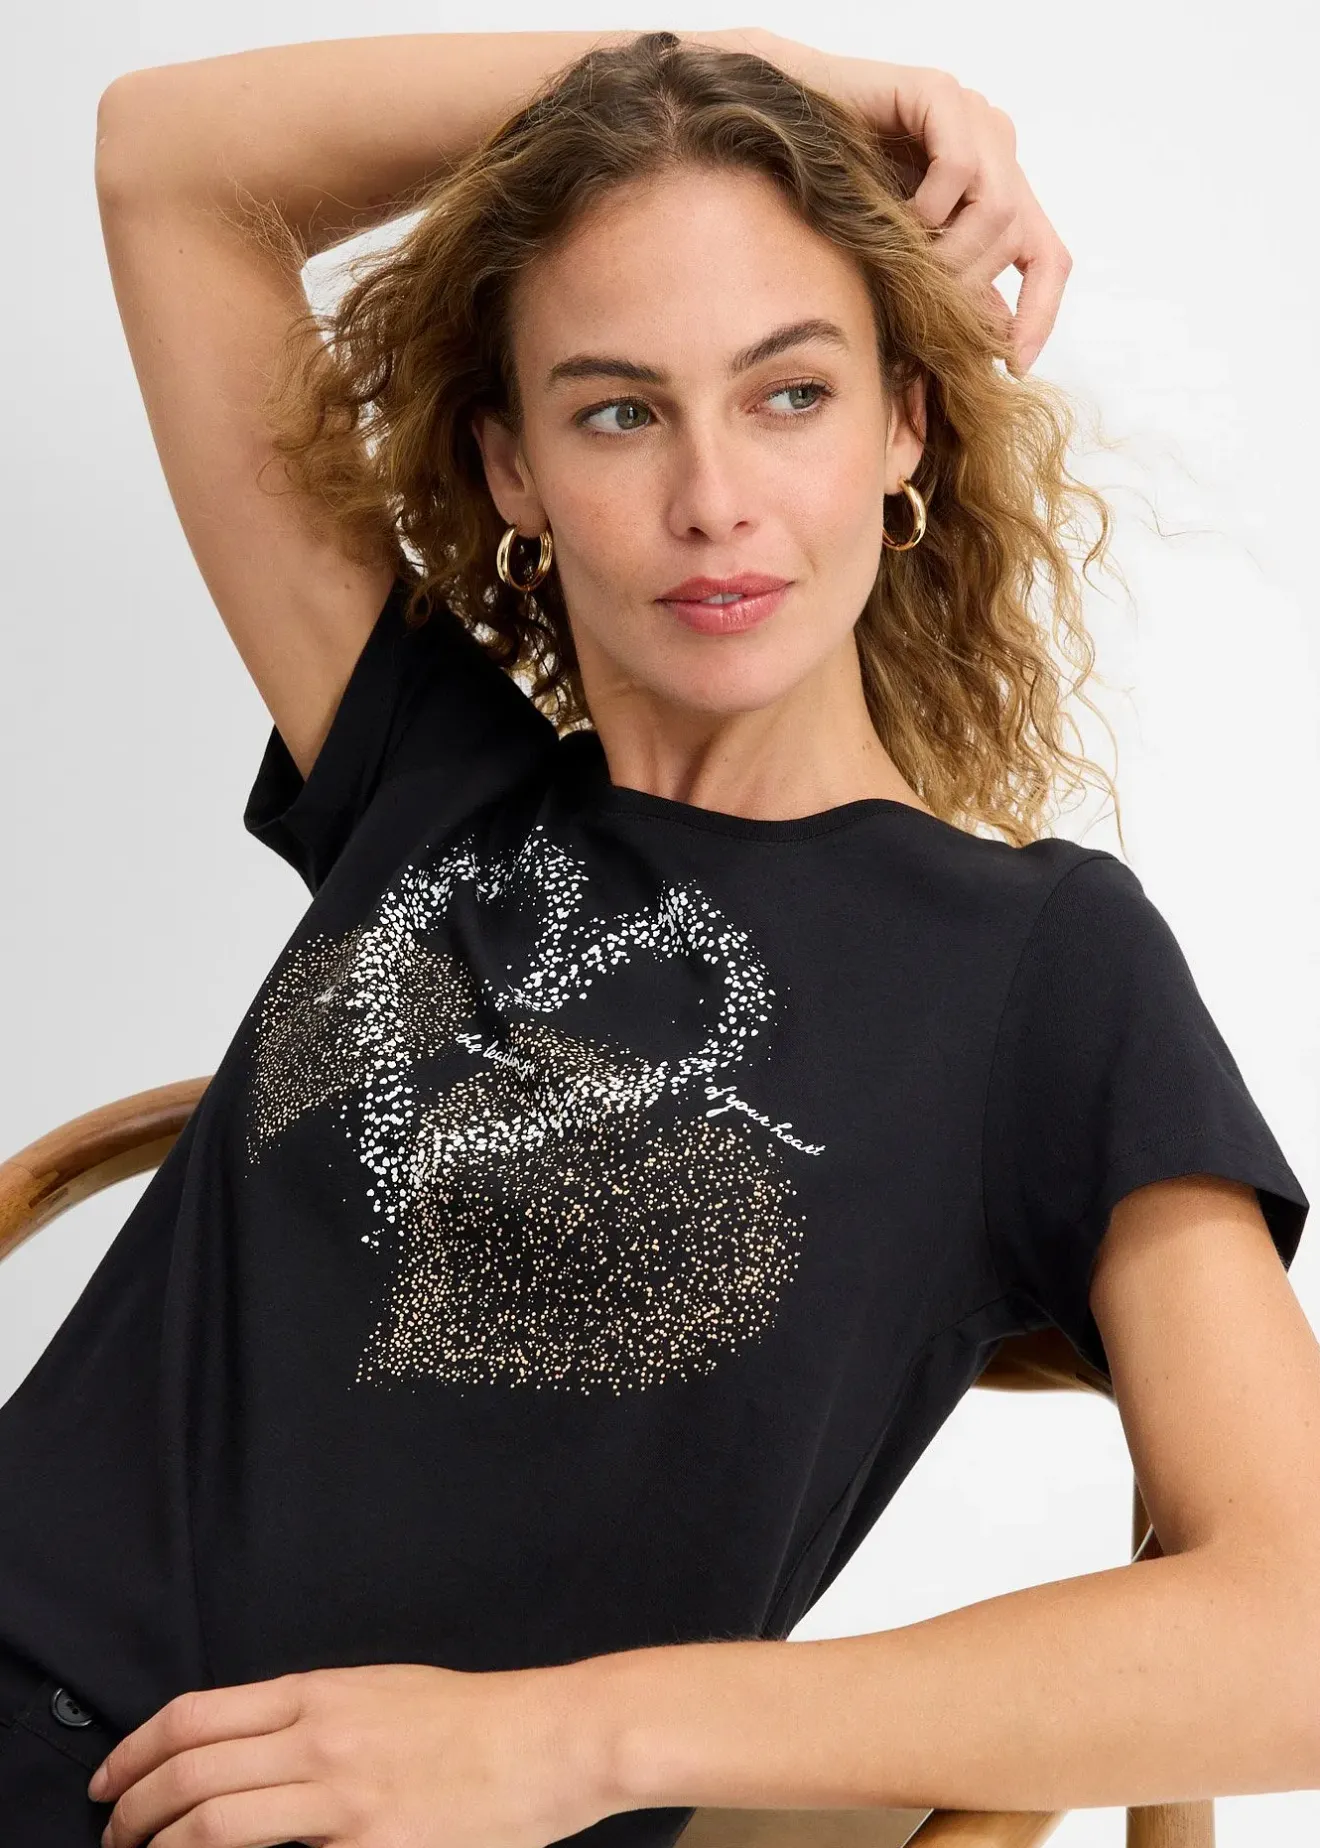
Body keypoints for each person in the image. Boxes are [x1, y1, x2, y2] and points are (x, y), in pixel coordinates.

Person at [2, 24, 1315, 1848]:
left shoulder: (1037, 967)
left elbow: (1294, 1631)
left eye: (791, 393)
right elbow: (168, 163)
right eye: (618, 410)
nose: (715, 500)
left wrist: (567, 1741)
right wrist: (760, 78)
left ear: (906, 426)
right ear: (513, 467)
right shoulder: (431, 770)